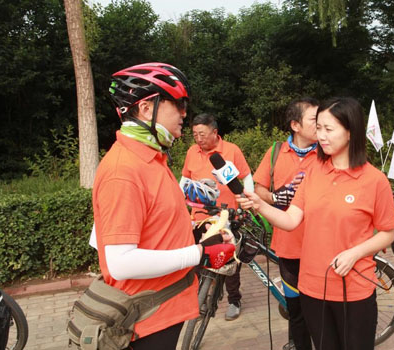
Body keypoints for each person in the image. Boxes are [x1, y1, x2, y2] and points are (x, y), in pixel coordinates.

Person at [238, 97, 394, 350]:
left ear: (351, 131)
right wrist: (260, 204)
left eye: (329, 129)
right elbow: (291, 220)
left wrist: (355, 253)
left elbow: (388, 232)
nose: (321, 136)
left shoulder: (374, 180)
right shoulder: (313, 172)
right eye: (319, 127)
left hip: (354, 287)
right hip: (312, 287)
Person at [93, 63, 234, 349]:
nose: (184, 114)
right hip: (144, 321)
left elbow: (153, 223)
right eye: (179, 104)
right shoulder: (124, 170)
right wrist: (199, 254)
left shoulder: (151, 159)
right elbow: (120, 262)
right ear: (146, 109)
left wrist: (198, 231)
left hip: (162, 312)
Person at [253, 97, 318, 350]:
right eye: (314, 120)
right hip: (288, 247)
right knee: (296, 311)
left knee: (320, 310)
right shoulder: (276, 152)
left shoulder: (327, 153)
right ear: (295, 125)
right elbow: (259, 189)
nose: (320, 125)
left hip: (320, 246)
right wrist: (275, 198)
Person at [181, 113, 253, 321]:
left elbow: (246, 176)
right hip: (199, 215)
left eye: (202, 134)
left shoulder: (231, 150)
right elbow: (185, 179)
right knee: (197, 258)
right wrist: (179, 202)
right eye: (195, 134)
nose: (198, 139)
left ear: (215, 132)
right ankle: (199, 299)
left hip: (226, 216)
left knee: (228, 260)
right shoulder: (191, 152)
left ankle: (234, 300)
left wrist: (246, 202)